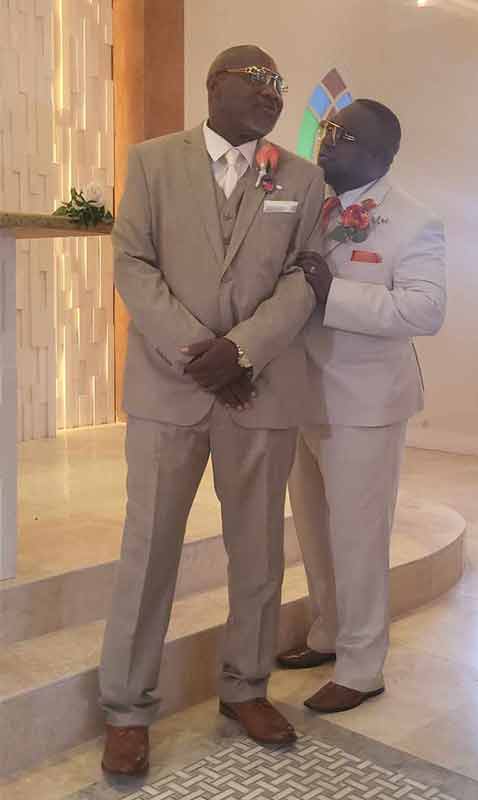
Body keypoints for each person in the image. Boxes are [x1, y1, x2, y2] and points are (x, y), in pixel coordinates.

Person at [99, 44, 324, 775]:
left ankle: (245, 687)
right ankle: (128, 709)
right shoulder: (152, 161)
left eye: (280, 83)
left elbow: (305, 275)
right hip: (171, 389)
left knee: (257, 551)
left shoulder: (301, 176)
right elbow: (132, 261)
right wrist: (203, 351)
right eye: (258, 79)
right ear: (214, 84)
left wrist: (246, 350)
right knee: (149, 549)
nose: (273, 92)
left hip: (258, 391)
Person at [278, 99, 446, 713]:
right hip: (301, 394)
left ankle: (362, 666)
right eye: (327, 129)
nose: (326, 142)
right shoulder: (307, 207)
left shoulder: (414, 221)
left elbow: (424, 311)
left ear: (380, 153)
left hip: (366, 405)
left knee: (358, 539)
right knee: (315, 532)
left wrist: (335, 293)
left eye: (342, 135)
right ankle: (326, 633)